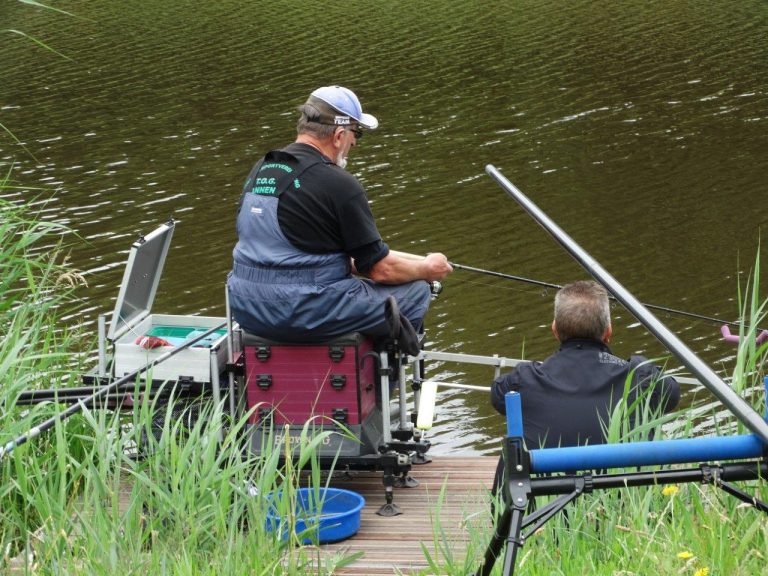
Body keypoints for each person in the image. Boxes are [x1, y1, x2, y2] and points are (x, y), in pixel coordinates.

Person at [228, 86, 453, 342]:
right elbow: (382, 271)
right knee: (414, 292)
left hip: (246, 306)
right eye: (355, 133)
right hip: (299, 311)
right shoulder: (339, 183)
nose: (355, 142)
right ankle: (374, 376)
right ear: (338, 135)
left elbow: (292, 252)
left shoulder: (263, 167)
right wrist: (426, 268)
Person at [490, 280, 680, 489]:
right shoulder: (640, 377)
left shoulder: (523, 379)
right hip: (625, 510)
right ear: (608, 331)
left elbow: (497, 395)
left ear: (554, 330)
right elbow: (672, 394)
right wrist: (642, 364)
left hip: (535, 515)